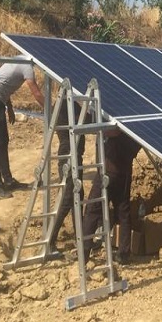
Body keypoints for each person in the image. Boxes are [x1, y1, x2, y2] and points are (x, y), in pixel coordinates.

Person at [0, 56, 45, 199]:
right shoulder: (26, 66)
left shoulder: (19, 60)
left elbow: (4, 83)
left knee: (3, 141)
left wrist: (9, 108)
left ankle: (9, 181)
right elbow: (36, 93)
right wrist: (52, 111)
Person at [82, 129, 141, 265]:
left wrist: (101, 126)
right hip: (124, 172)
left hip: (108, 172)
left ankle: (84, 253)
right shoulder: (138, 123)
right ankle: (124, 254)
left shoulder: (119, 120)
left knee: (92, 210)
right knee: (123, 212)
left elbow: (112, 131)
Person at [46, 101, 88, 257]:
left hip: (74, 155)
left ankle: (80, 237)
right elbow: (87, 119)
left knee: (78, 195)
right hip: (69, 156)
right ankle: (50, 241)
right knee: (67, 198)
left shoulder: (63, 103)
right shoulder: (67, 104)